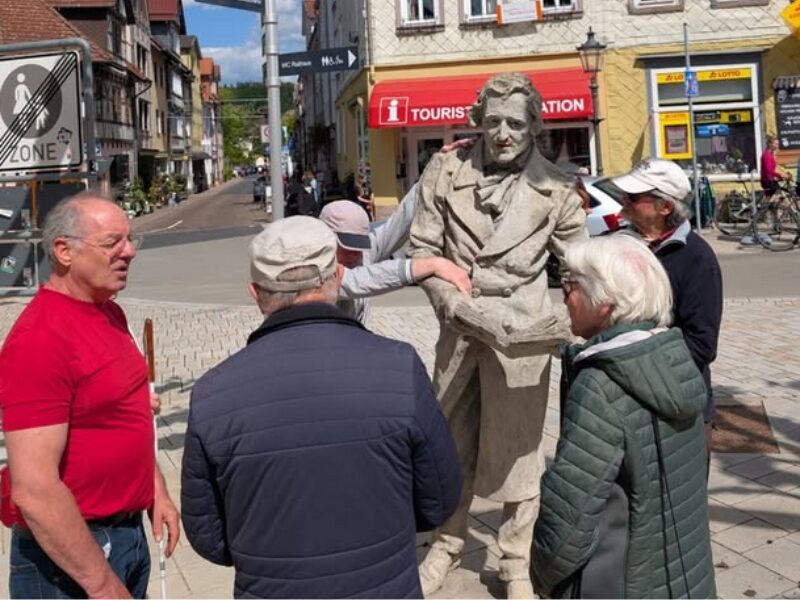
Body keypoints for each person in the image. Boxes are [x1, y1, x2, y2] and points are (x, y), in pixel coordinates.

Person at [180, 216, 461, 598]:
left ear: (255, 292)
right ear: (337, 277)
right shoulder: (399, 367)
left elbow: (209, 537)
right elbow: (439, 500)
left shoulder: (213, 393)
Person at [409, 72, 587, 599]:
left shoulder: (556, 188)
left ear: (534, 125)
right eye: (493, 122)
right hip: (460, 330)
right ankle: (446, 543)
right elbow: (421, 251)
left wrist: (567, 323)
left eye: (515, 123)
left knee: (520, 451)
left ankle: (514, 558)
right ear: (477, 122)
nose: (503, 133)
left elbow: (582, 267)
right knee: (451, 445)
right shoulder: (444, 170)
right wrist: (456, 307)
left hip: (523, 335)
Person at [0, 193, 180, 599]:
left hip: (125, 537)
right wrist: (102, 585)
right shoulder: (40, 340)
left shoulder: (109, 312)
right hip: (69, 559)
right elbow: (34, 490)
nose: (129, 251)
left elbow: (123, 414)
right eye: (112, 242)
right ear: (64, 251)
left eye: (131, 239)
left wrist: (156, 490)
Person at [531, 235, 716, 598]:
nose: (564, 296)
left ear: (606, 304)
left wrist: (541, 578)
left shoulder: (601, 384)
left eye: (571, 285)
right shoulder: (673, 356)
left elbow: (568, 516)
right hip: (685, 577)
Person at [612, 157, 723, 445]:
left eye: (635, 197)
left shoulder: (697, 258)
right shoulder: (616, 246)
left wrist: (636, 364)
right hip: (622, 403)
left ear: (665, 207)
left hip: (678, 406)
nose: (624, 200)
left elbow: (701, 345)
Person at [320, 198, 472, 324]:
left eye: (358, 245)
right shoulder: (316, 268)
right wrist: (433, 264)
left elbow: (401, 221)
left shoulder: (362, 255)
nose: (354, 253)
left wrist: (434, 175)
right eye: (346, 246)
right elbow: (362, 279)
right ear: (325, 239)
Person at [760, 133, 789, 198]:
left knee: (774, 199)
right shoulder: (766, 155)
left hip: (771, 180)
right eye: (776, 144)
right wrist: (780, 175)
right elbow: (769, 171)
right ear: (770, 144)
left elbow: (775, 168)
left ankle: (769, 206)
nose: (777, 146)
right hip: (767, 181)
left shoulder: (771, 155)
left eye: (778, 144)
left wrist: (782, 174)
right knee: (779, 196)